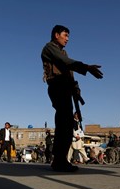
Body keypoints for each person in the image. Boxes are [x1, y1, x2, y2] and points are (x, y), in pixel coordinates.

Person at [41, 24, 103, 172]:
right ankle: (59, 160)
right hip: (57, 86)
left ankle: (61, 159)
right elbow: (66, 63)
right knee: (63, 122)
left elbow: (69, 72)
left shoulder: (63, 52)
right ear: (56, 35)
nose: (67, 39)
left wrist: (76, 89)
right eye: (65, 35)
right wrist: (86, 67)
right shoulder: (49, 48)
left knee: (67, 124)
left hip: (65, 87)